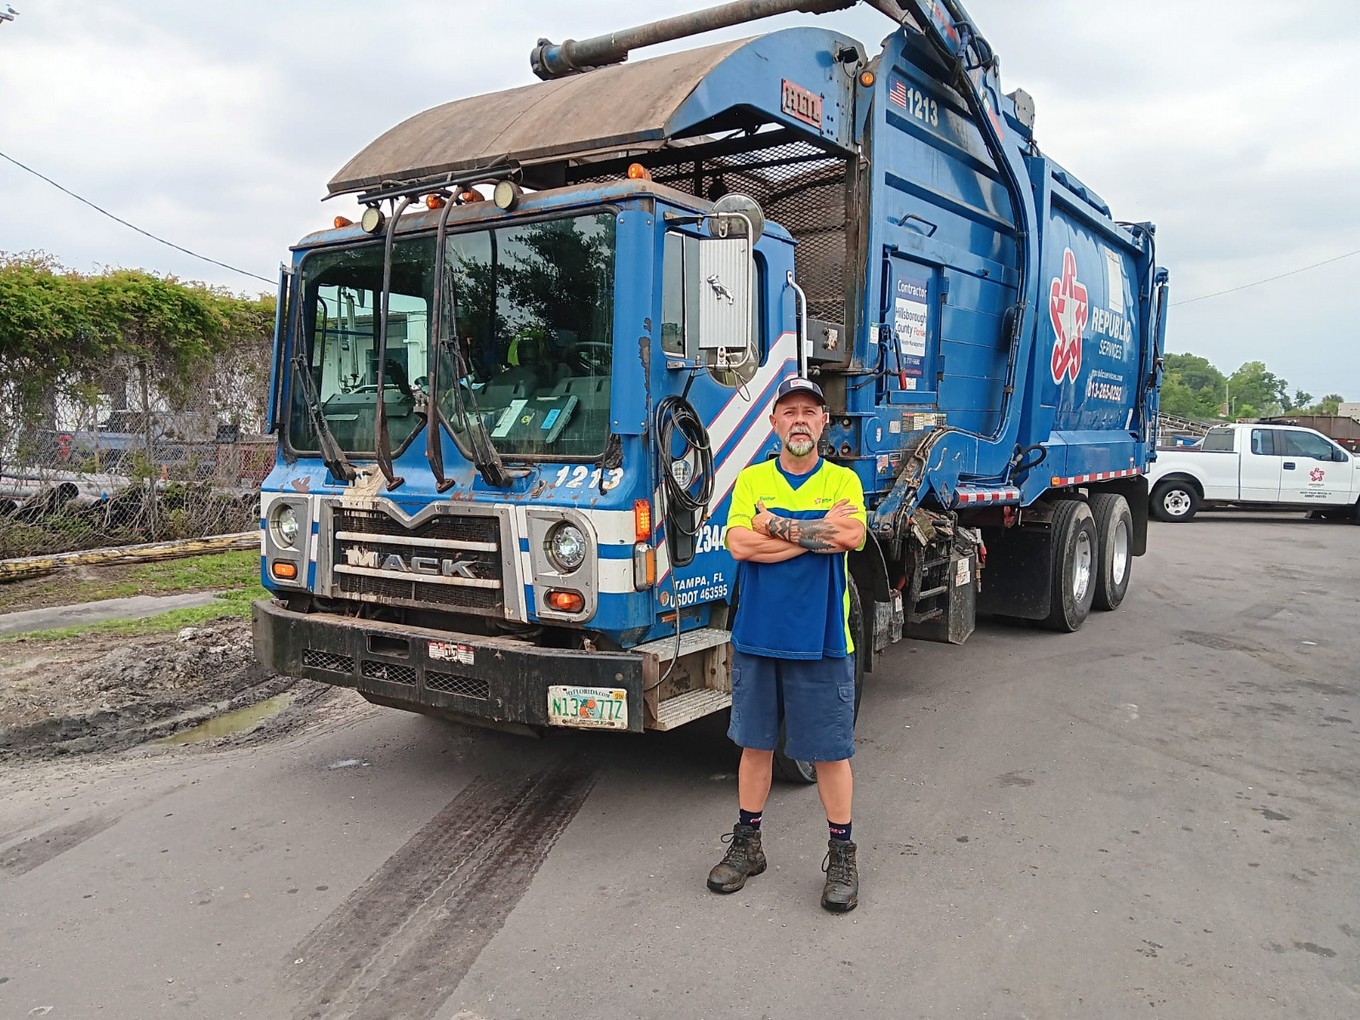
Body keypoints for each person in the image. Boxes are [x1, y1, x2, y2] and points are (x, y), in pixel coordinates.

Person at [707, 376, 867, 912]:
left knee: (829, 752)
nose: (800, 420)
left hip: (823, 640)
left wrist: (774, 528)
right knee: (755, 746)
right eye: (789, 411)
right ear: (773, 423)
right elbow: (738, 544)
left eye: (810, 412)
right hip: (758, 637)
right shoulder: (751, 480)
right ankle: (747, 845)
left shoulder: (845, 482)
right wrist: (811, 533)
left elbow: (848, 538)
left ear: (824, 422)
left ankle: (842, 854)